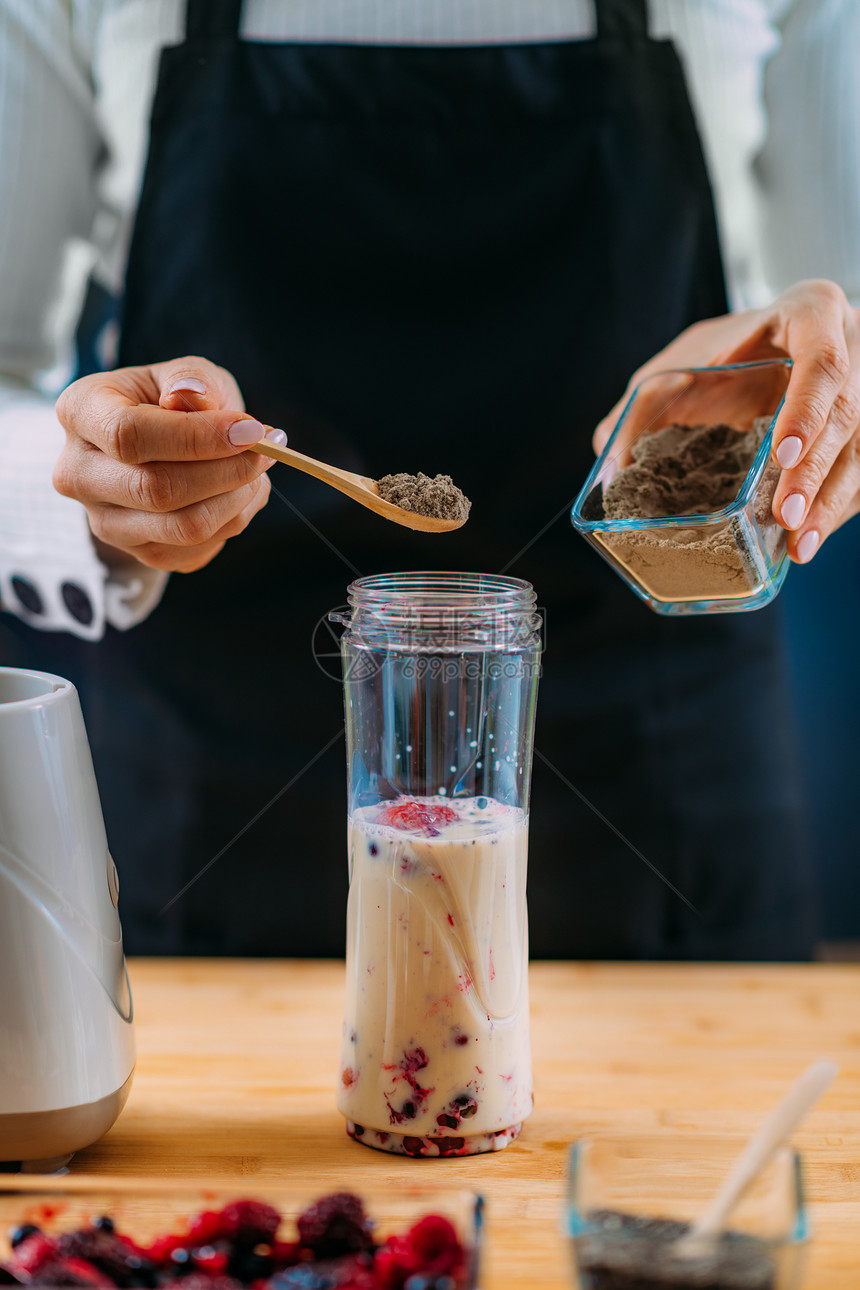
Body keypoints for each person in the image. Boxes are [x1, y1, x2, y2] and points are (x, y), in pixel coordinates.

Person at [0, 0, 857, 959]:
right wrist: (97, 474)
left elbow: (842, 320)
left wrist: (803, 377)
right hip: (211, 783)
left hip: (659, 776)